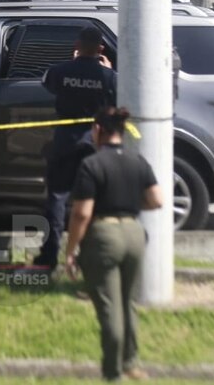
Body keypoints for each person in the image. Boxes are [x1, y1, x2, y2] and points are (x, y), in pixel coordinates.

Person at [63, 106, 163, 382]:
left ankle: (113, 373)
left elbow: (82, 214)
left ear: (98, 130)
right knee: (127, 301)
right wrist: (130, 205)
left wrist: (71, 251)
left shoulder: (92, 164)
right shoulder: (137, 161)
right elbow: (157, 200)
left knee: (109, 307)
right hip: (134, 233)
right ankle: (131, 362)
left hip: (104, 235)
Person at [33, 26, 116, 270]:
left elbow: (47, 83)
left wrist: (74, 64)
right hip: (94, 142)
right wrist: (108, 69)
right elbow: (116, 97)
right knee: (94, 199)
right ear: (101, 48)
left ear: (77, 45)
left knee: (57, 197)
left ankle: (49, 255)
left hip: (66, 139)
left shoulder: (60, 71)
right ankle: (92, 255)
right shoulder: (109, 77)